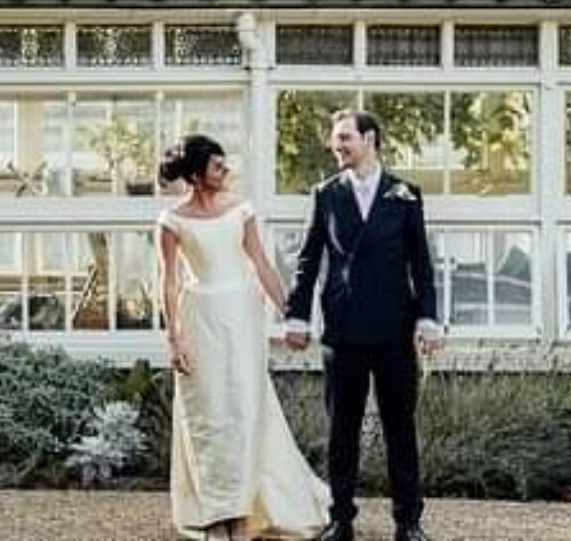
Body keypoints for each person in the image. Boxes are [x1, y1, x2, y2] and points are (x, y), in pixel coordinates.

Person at [157, 133, 329, 541]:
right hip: (199, 318)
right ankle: (215, 515)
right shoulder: (172, 219)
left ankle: (240, 514)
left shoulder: (241, 210)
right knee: (207, 415)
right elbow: (168, 282)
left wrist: (294, 314)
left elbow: (262, 265)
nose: (226, 170)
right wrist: (174, 338)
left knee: (244, 410)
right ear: (197, 176)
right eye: (217, 166)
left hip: (242, 317)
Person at [285, 110, 444, 541]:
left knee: (400, 429)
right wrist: (297, 316)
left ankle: (409, 523)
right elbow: (307, 260)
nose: (337, 146)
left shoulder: (405, 194)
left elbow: (422, 265)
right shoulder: (325, 194)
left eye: (345, 138)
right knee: (342, 431)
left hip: (395, 330)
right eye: (336, 140)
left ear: (369, 138)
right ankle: (341, 520)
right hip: (344, 330)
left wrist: (428, 318)